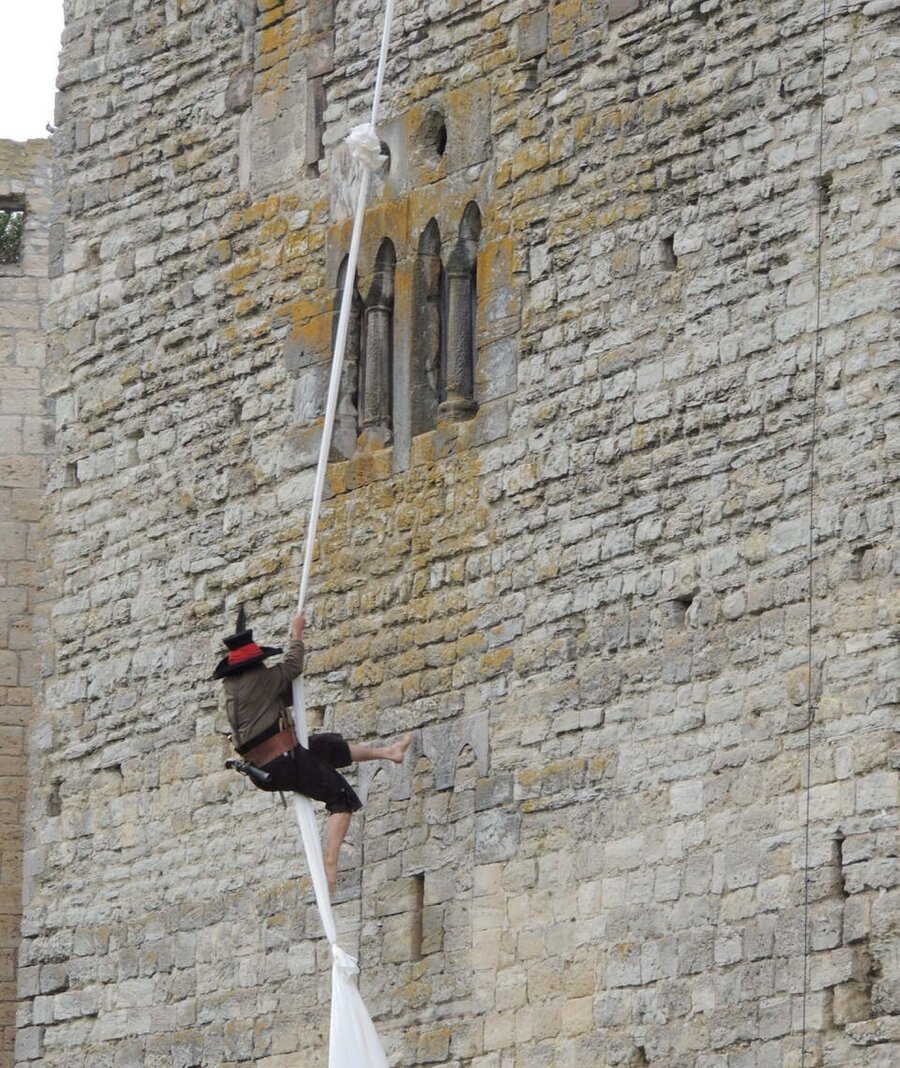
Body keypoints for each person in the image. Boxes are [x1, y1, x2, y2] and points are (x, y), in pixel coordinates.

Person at [214, 607, 412, 892]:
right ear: (254, 663)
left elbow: (275, 700)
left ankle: (389, 752)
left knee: (326, 746)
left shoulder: (235, 686)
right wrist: (297, 632)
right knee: (342, 799)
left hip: (271, 763)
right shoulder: (258, 680)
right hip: (280, 763)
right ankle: (329, 863)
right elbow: (293, 665)